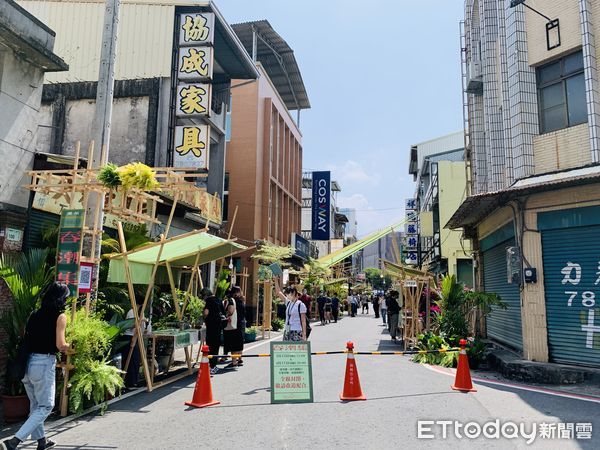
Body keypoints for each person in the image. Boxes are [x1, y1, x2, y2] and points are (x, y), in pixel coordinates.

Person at [2, 282, 71, 450]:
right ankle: (15, 441)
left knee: (35, 405)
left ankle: (42, 441)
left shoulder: (34, 314)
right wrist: (69, 346)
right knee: (46, 406)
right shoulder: (60, 316)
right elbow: (60, 344)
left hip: (27, 364)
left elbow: (26, 336)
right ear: (62, 299)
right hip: (43, 363)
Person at [201, 288, 225, 375]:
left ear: (206, 295)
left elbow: (206, 312)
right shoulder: (218, 300)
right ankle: (214, 366)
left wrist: (203, 315)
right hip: (219, 326)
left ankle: (211, 366)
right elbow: (223, 312)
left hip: (211, 326)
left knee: (210, 346)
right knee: (216, 346)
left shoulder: (209, 301)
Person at [228, 286, 246, 368]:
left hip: (235, 324)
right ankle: (240, 359)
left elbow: (231, 312)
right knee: (240, 341)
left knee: (234, 342)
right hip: (242, 323)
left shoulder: (232, 301)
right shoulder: (242, 300)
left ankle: (234, 362)